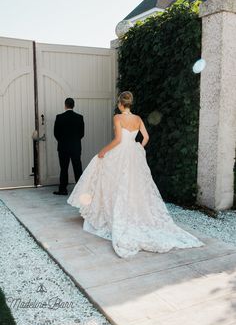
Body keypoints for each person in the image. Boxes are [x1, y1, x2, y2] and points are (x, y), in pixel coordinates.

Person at [67, 91, 204, 258]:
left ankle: (109, 214)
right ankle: (132, 213)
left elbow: (118, 140)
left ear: (120, 104)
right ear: (130, 104)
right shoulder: (138, 119)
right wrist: (139, 146)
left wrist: (102, 151)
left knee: (110, 177)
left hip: (121, 152)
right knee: (134, 184)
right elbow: (146, 137)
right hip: (133, 153)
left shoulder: (118, 118)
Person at [53, 98, 84, 195]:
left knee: (64, 169)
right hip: (75, 147)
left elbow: (56, 133)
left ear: (65, 105)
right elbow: (82, 133)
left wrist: (62, 141)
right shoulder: (79, 117)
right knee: (77, 168)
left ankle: (63, 189)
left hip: (63, 147)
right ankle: (80, 190)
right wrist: (74, 141)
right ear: (73, 105)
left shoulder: (59, 117)